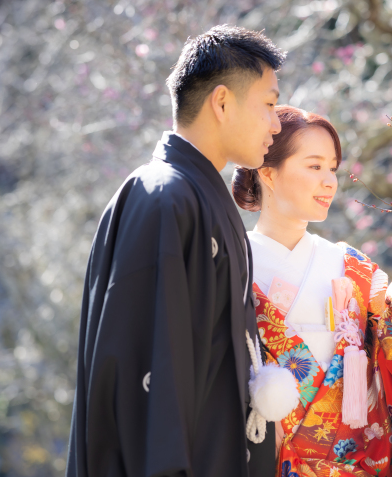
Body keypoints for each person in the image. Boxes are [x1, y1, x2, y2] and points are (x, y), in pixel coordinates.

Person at [66, 25, 285, 477]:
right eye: (268, 104)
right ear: (222, 102)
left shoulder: (193, 196)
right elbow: (147, 371)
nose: (277, 123)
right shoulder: (164, 197)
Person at [232, 106, 392, 476]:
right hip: (260, 459)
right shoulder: (232, 264)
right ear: (267, 172)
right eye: (315, 167)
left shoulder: (349, 266)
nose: (330, 181)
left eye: (332, 168)